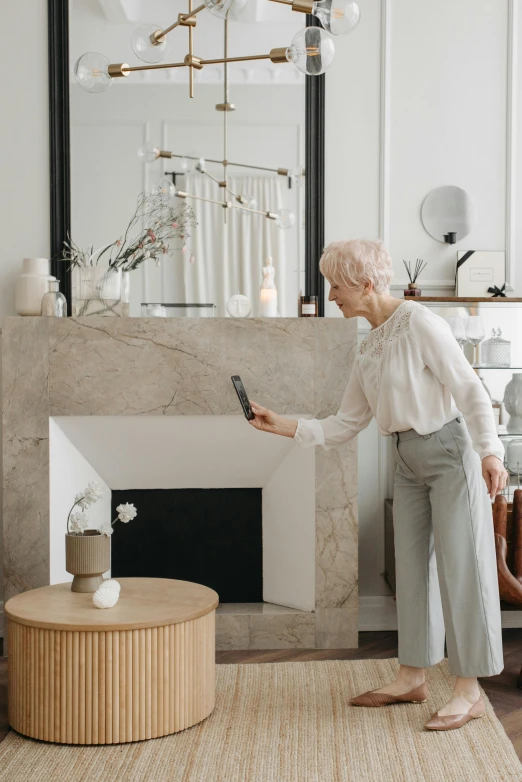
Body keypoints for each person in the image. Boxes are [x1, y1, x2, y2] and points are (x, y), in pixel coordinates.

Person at [248, 238, 509, 732]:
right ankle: (412, 676)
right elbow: (345, 423)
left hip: (451, 452)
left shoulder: (420, 323)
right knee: (410, 571)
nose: (331, 295)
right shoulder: (367, 344)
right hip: (406, 460)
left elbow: (468, 386)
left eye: (336, 285)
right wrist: (280, 423)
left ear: (366, 284)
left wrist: (490, 450)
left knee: (462, 570)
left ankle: (469, 690)